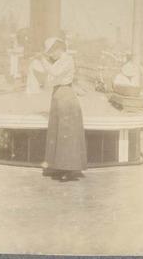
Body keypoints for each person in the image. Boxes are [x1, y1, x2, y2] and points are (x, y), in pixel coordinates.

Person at [38, 37, 87, 182]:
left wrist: (42, 59)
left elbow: (54, 73)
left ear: (58, 48)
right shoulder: (59, 60)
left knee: (67, 134)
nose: (50, 55)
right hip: (58, 94)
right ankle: (58, 167)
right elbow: (50, 80)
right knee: (57, 132)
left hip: (66, 96)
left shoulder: (67, 59)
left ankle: (70, 169)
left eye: (51, 52)